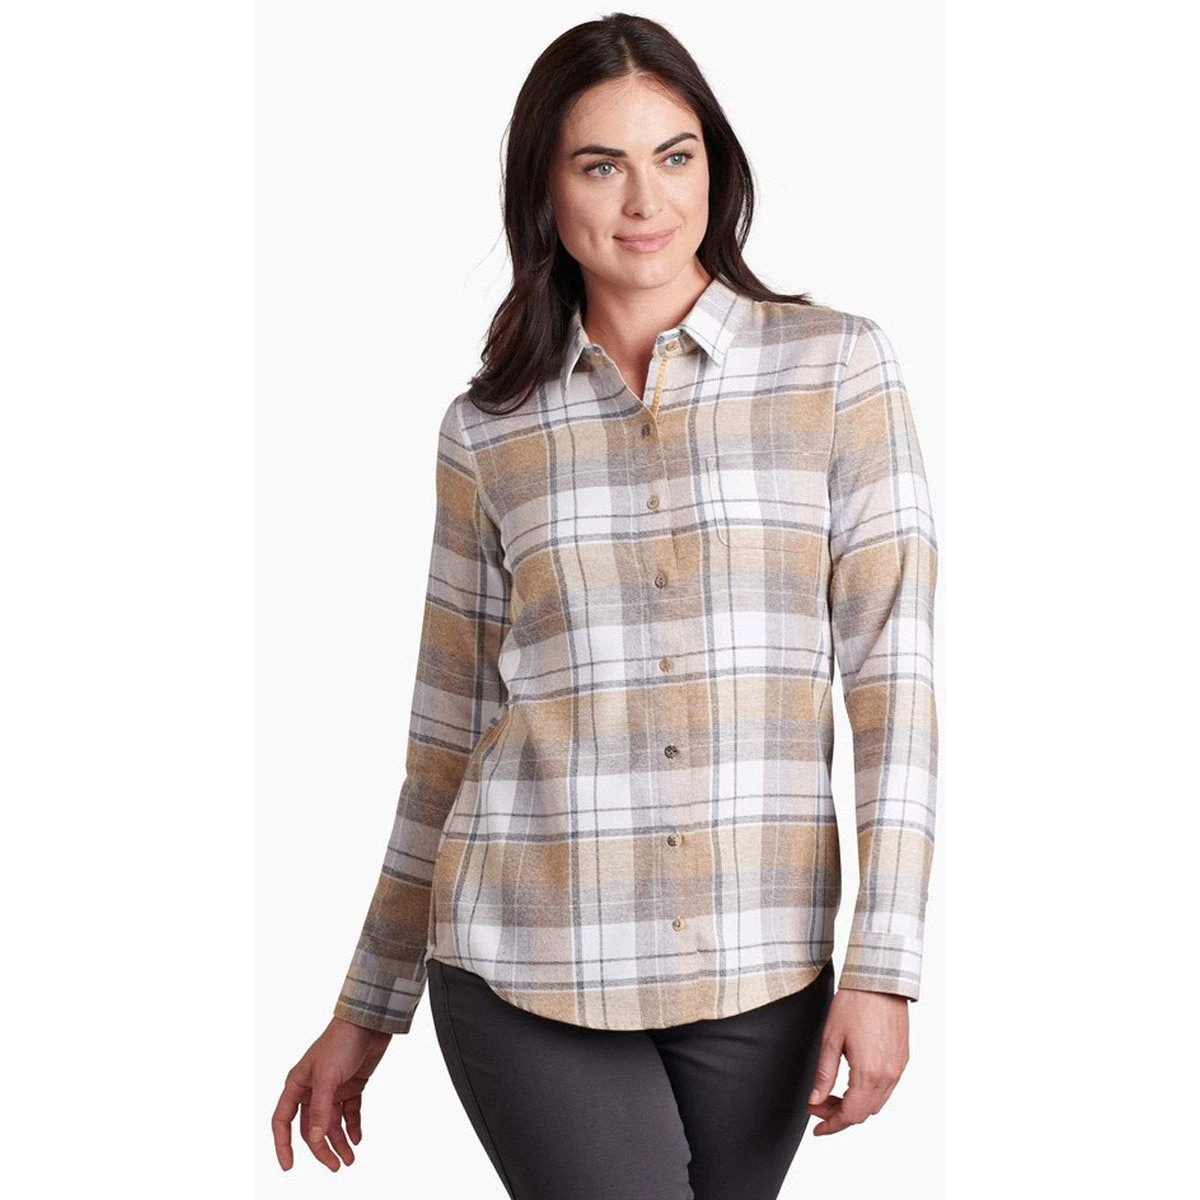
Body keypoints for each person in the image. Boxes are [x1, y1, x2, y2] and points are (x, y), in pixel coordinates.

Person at [272, 13, 938, 1199]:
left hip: (763, 970)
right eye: (601, 165)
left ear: (715, 168)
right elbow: (446, 742)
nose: (645, 200)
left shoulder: (838, 370)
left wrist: (883, 966)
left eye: (675, 156)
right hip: (526, 963)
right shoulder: (488, 430)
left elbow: (895, 684)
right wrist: (367, 1007)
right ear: (545, 190)